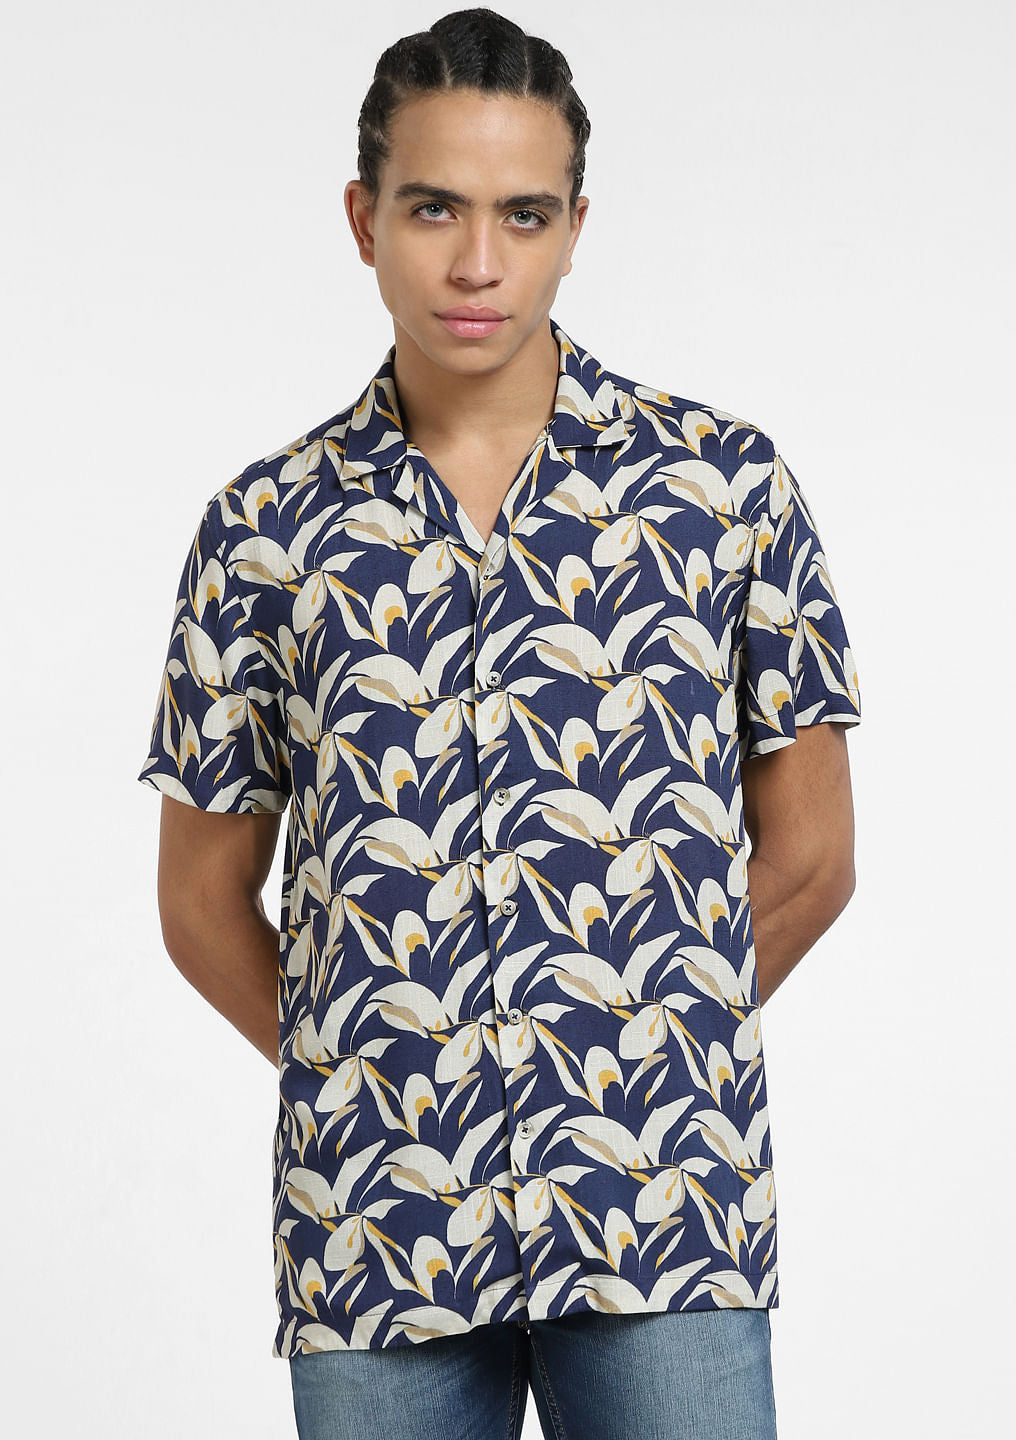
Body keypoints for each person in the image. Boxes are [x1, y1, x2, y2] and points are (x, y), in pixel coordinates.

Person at [136, 8, 862, 1438]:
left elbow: (814, 858)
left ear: (577, 227)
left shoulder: (719, 490)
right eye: (434, 209)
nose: (479, 262)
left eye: (524, 214)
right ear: (363, 219)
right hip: (377, 1232)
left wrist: (636, 1046)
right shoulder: (264, 531)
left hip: (661, 1213)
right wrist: (386, 1073)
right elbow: (200, 900)